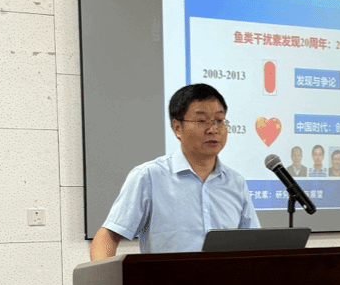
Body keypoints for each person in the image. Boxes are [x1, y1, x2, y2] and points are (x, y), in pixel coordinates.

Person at [90, 83, 259, 260]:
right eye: (202, 121)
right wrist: (104, 274)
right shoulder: (149, 176)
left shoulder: (235, 182)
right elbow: (108, 236)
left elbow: (253, 244)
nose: (213, 129)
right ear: (177, 127)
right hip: (168, 279)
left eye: (219, 120)